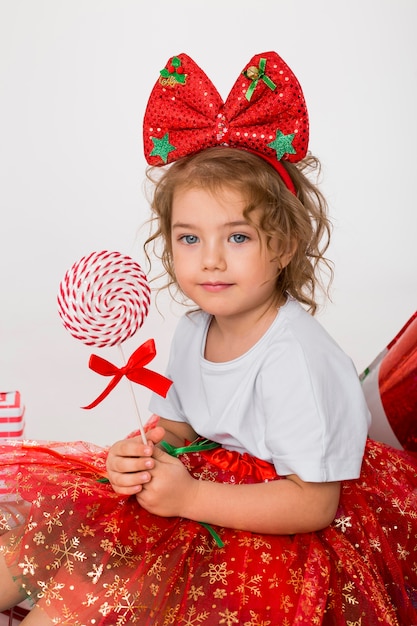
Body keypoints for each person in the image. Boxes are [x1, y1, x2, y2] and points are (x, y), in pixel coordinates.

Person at [1, 51, 417, 625]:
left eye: (239, 237)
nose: (211, 260)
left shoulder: (297, 358)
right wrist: (140, 457)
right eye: (189, 238)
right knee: (33, 544)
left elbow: (315, 502)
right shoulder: (195, 330)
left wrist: (190, 497)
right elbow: (180, 430)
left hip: (276, 532)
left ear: (285, 245)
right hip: (200, 491)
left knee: (90, 596)